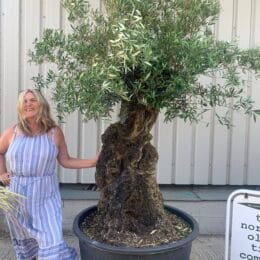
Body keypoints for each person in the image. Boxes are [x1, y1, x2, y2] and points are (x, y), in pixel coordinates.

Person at [0, 89, 99, 260]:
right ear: (20, 107)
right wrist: (2, 173)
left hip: (45, 194)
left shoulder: (54, 132)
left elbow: (65, 160)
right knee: (26, 243)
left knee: (51, 240)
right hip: (18, 196)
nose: (29, 104)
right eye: (24, 101)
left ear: (41, 104)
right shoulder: (12, 132)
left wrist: (92, 162)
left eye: (33, 100)